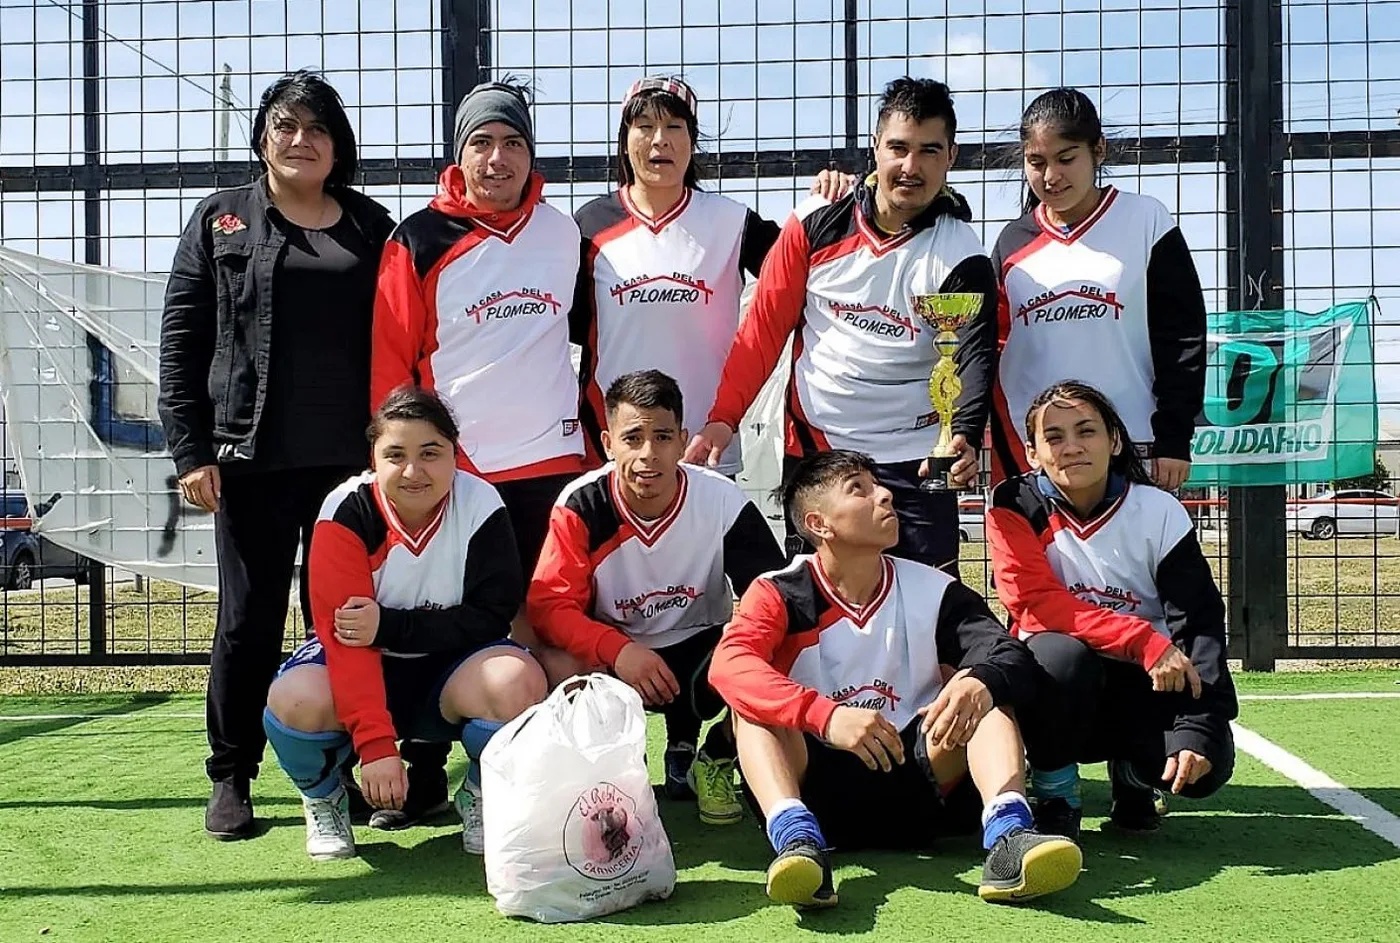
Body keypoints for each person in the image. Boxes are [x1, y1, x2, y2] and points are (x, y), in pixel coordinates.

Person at [158, 70, 396, 840]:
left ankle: (346, 764)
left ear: (338, 145)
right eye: (286, 126)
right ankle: (232, 773)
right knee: (248, 621)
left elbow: (402, 333)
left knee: (348, 620)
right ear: (263, 135)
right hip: (251, 461)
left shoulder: (370, 225)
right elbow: (181, 342)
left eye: (317, 129)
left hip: (351, 470)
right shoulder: (221, 220)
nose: (301, 141)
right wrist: (193, 450)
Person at [709, 450, 1082, 908]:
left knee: (983, 694)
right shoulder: (778, 590)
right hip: (817, 786)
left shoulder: (933, 587)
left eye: (878, 485)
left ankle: (1010, 839)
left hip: (923, 783)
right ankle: (796, 842)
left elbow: (1006, 651)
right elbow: (729, 666)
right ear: (819, 524)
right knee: (752, 708)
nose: (884, 494)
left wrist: (977, 680)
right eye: (858, 489)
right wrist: (826, 717)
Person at [370, 79, 584, 827]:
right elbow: (392, 364)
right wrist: (400, 468)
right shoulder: (419, 237)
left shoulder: (565, 235)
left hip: (550, 468)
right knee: (439, 615)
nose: (498, 159)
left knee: (535, 629)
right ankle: (423, 767)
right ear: (459, 155)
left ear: (532, 155)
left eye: (514, 143)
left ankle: (524, 783)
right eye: (482, 143)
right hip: (456, 474)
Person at [684, 78, 997, 574]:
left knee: (929, 611)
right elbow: (764, 327)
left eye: (928, 151)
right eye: (898, 147)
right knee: (819, 619)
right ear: (875, 146)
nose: (910, 167)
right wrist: (724, 416)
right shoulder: (814, 221)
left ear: (951, 156)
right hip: (819, 448)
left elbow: (975, 355)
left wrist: (962, 433)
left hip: (917, 458)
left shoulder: (963, 253)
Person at [262, 387, 546, 860]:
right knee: (295, 699)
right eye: (396, 455)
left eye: (430, 453)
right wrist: (375, 745)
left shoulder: (481, 504)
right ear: (373, 458)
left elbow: (491, 615)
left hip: (451, 673)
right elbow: (349, 639)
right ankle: (322, 795)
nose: (414, 471)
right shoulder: (344, 512)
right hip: (366, 668)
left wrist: (391, 627)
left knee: (516, 681)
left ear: (455, 453)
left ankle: (481, 794)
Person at [527, 370, 786, 825]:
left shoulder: (721, 500)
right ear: (608, 443)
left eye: (663, 436)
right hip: (616, 650)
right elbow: (549, 608)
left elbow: (778, 598)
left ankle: (715, 753)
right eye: (633, 437)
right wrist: (620, 651)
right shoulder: (580, 504)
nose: (648, 454)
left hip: (701, 649)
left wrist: (742, 646)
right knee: (554, 664)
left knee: (785, 653)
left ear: (683, 440)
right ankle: (600, 776)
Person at [985, 380, 1236, 841]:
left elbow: (1197, 621)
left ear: (1115, 440)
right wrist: (1142, 639)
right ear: (1032, 452)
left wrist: (1199, 724)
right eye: (1054, 437)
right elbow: (1033, 604)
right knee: (1058, 655)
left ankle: (1135, 779)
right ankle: (1057, 792)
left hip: (1144, 682)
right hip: (1058, 682)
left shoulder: (1158, 511)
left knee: (1206, 763)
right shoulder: (1012, 503)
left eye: (1087, 431)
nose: (1072, 447)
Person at [573, 75, 851, 474]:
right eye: (645, 127)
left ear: (692, 139)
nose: (659, 140)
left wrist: (827, 204)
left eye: (673, 127)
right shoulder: (588, 227)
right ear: (625, 139)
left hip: (706, 448)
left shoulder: (733, 222)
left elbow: (805, 274)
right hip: (613, 449)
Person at [988, 88, 1207, 491]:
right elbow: (992, 348)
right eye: (1036, 162)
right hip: (1037, 455)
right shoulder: (1011, 243)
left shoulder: (1145, 219)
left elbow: (1182, 336)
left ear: (1099, 149)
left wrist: (1175, 436)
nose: (1051, 176)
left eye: (1066, 158)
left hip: (1132, 447)